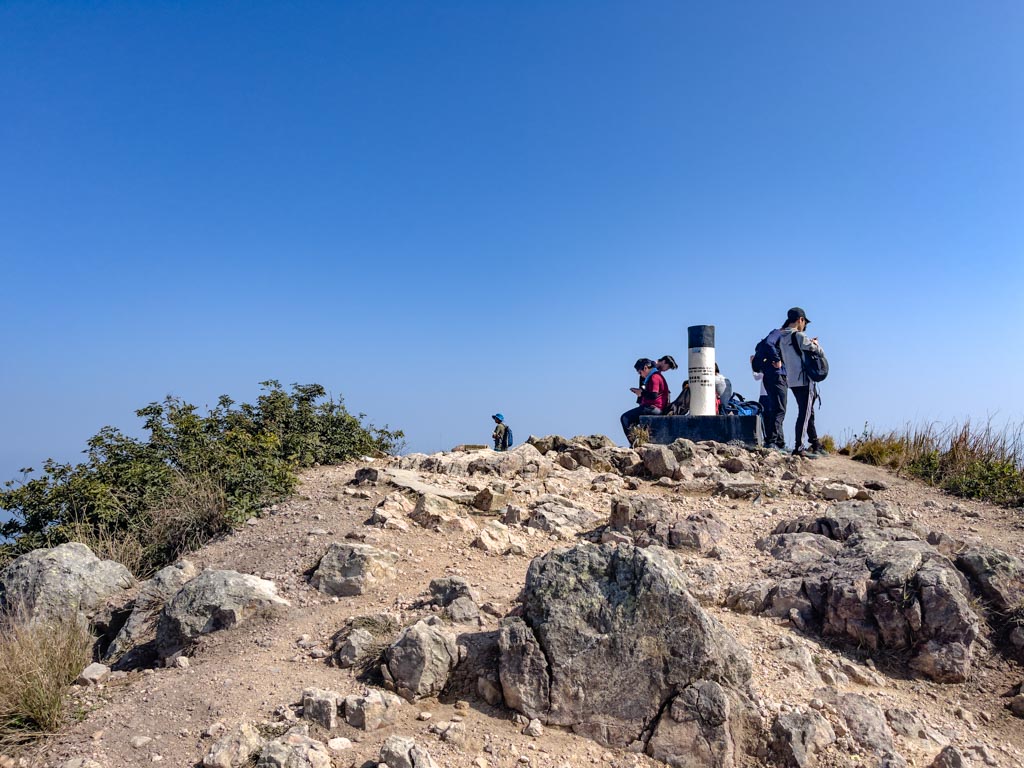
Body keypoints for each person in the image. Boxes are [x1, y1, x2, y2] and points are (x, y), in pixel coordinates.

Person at [779, 307, 824, 457]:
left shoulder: (782, 337)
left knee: (807, 412)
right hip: (804, 380)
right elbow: (818, 351)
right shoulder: (799, 336)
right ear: (800, 320)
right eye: (804, 323)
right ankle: (799, 447)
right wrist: (816, 343)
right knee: (805, 414)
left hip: (791, 380)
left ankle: (816, 443)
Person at [755, 324, 788, 451]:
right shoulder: (778, 333)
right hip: (777, 376)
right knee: (779, 409)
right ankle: (773, 442)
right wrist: (777, 359)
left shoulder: (779, 335)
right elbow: (769, 343)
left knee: (777, 409)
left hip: (772, 376)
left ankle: (778, 441)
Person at [620, 358, 669, 441]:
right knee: (633, 422)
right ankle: (639, 440)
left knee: (625, 418)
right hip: (654, 408)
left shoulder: (654, 377)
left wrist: (641, 393)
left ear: (645, 368)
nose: (640, 375)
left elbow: (654, 395)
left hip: (653, 408)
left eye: (640, 372)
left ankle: (634, 444)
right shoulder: (654, 376)